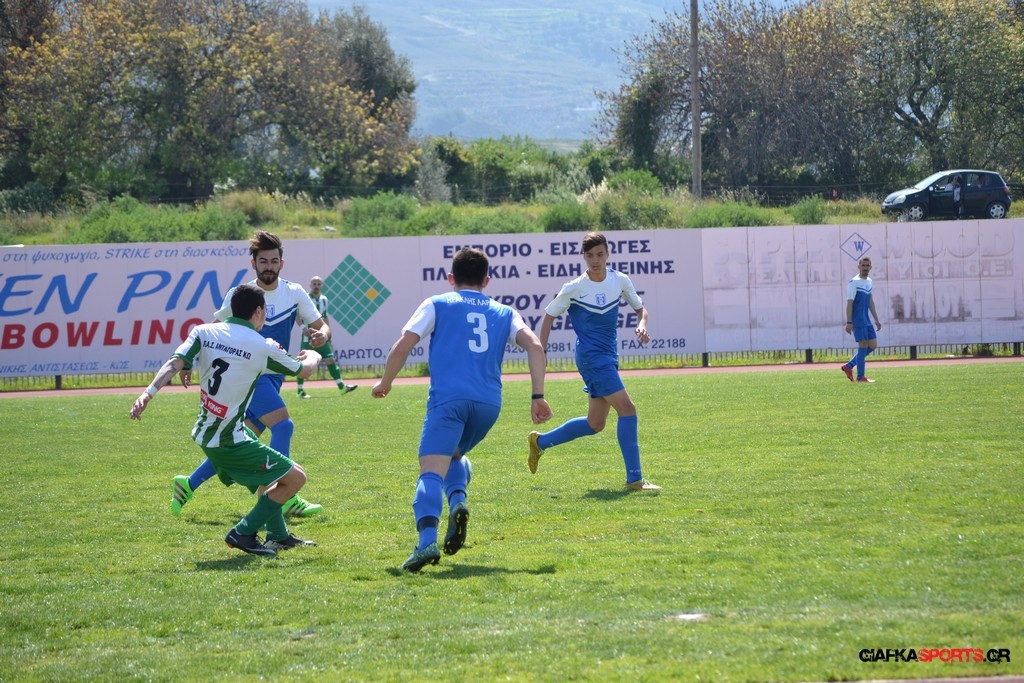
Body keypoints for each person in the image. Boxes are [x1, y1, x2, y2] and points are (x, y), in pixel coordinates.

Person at [372, 247, 552, 572]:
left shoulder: (437, 303)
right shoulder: (505, 312)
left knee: (430, 470)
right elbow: (536, 346)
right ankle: (458, 501)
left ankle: (426, 543)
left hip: (449, 401)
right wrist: (537, 395)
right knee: (454, 455)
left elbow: (403, 346)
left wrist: (386, 382)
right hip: (488, 405)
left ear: (450, 278)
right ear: (487, 280)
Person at [130, 284, 322, 557]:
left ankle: (278, 536)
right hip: (230, 441)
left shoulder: (203, 331)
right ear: (259, 312)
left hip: (207, 433)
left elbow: (174, 363)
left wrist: (147, 394)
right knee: (295, 479)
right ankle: (243, 532)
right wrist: (313, 355)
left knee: (269, 476)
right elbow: (304, 371)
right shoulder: (262, 345)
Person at [171, 231, 330, 518]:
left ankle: (188, 483)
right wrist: (189, 361)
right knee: (283, 426)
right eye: (263, 261)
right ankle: (282, 495)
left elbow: (321, 325)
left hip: (274, 376)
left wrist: (322, 334)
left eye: (274, 261)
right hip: (250, 376)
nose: (269, 266)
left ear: (282, 263)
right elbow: (214, 331)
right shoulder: (241, 295)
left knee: (244, 438)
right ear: (253, 263)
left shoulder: (294, 292)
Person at [528, 231, 660, 491]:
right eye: (589, 256)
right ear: (584, 257)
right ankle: (635, 480)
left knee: (595, 423)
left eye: (600, 254)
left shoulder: (619, 280)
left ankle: (539, 442)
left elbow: (640, 308)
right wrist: (542, 350)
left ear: (608, 253)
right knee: (628, 409)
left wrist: (642, 324)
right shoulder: (574, 287)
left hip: (608, 355)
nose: (595, 260)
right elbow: (549, 316)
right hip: (591, 357)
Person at [296, 275, 358, 398]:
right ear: (310, 285)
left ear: (322, 286)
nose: (316, 286)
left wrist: (328, 335)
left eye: (318, 284)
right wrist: (303, 328)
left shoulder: (324, 299)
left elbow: (325, 318)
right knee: (303, 362)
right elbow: (297, 315)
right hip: (308, 337)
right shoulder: (305, 298)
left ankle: (342, 387)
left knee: (330, 359)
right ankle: (299, 391)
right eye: (314, 284)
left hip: (321, 336)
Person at [840, 256, 882, 383]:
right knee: (863, 345)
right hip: (857, 319)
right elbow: (849, 303)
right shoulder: (854, 282)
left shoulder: (869, 281)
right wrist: (849, 322)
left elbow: (870, 301)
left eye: (867, 265)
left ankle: (849, 366)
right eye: (863, 265)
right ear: (858, 266)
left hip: (866, 319)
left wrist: (876, 319)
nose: (865, 268)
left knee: (873, 345)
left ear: (870, 267)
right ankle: (860, 377)